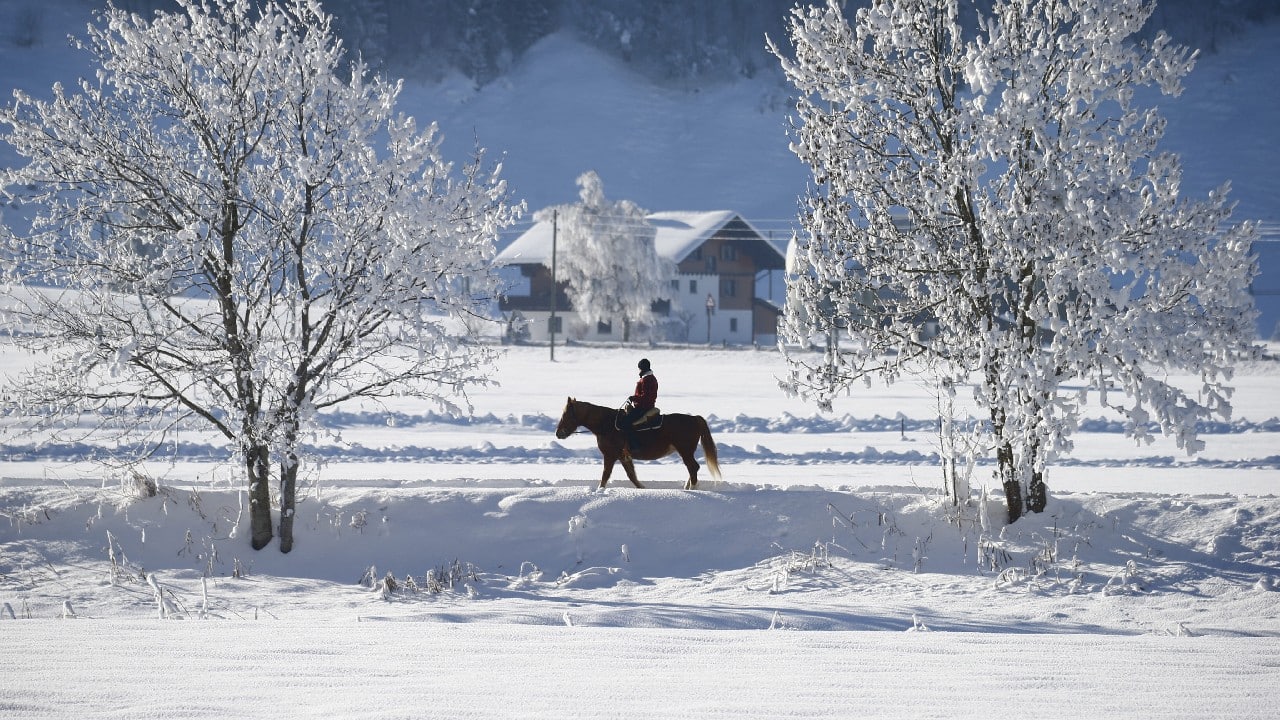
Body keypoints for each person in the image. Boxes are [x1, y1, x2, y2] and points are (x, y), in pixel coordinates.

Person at [622, 358, 658, 458]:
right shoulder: (649, 378)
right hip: (643, 406)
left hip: (643, 408)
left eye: (640, 368)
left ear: (642, 369)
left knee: (626, 423)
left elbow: (646, 397)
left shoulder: (647, 379)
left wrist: (633, 398)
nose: (639, 371)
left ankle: (634, 446)